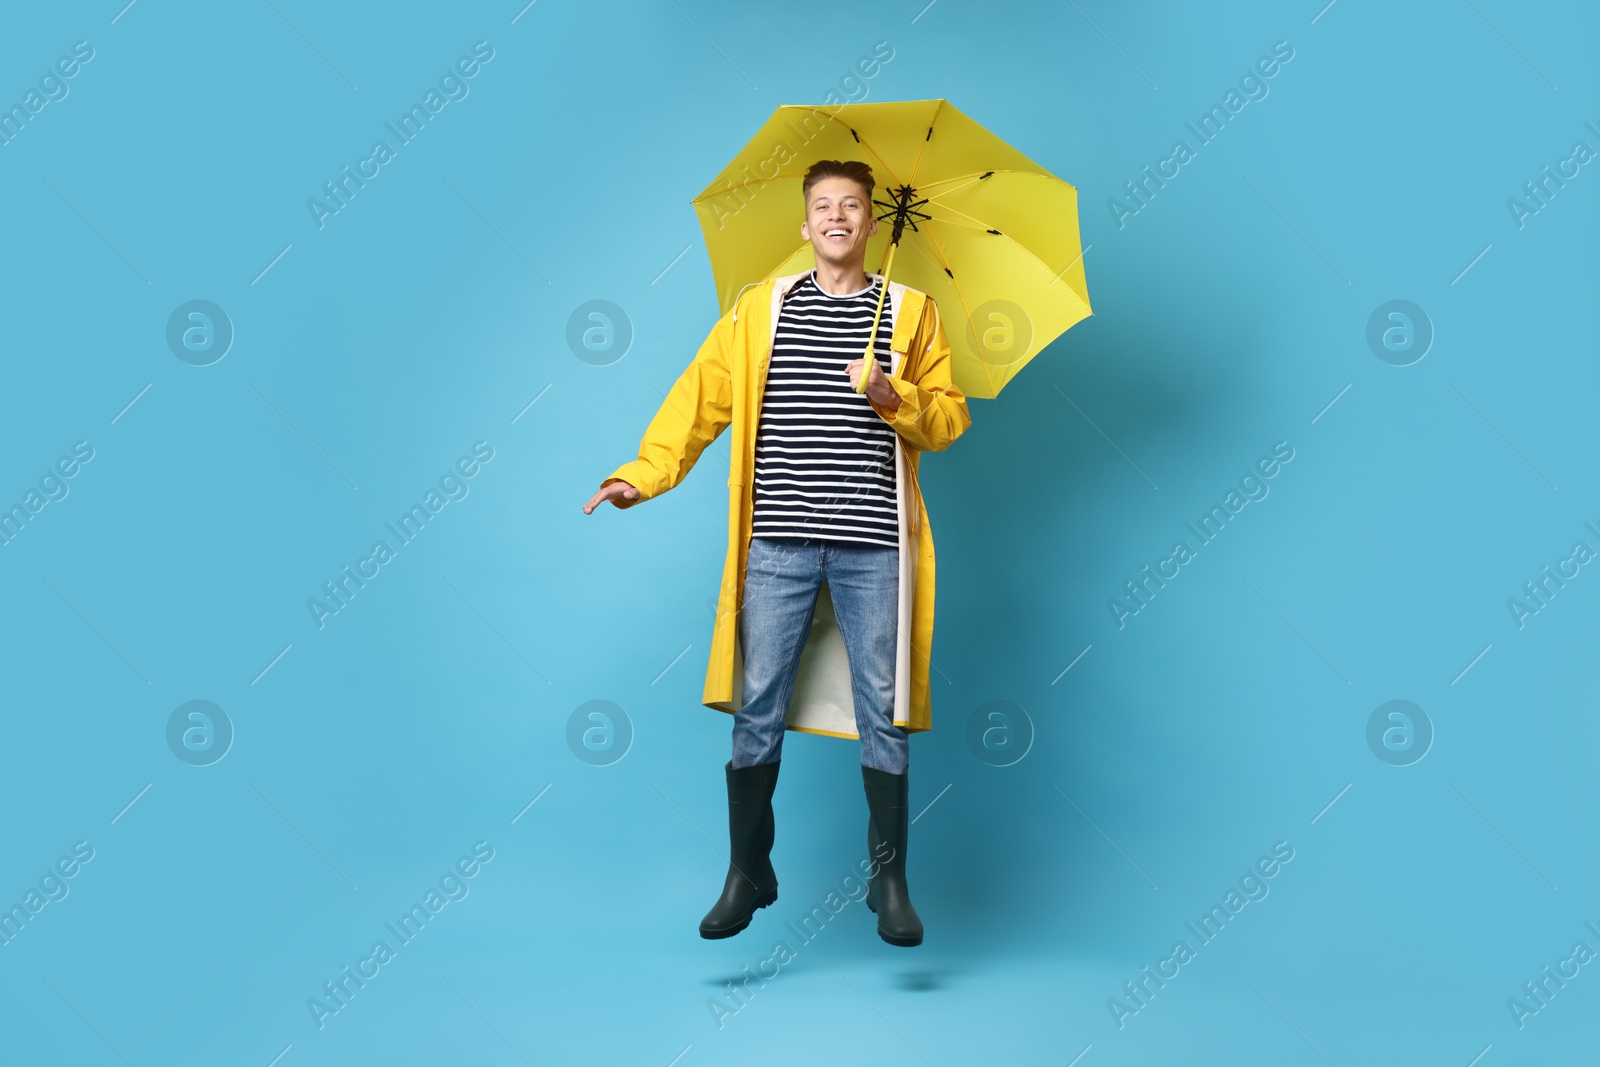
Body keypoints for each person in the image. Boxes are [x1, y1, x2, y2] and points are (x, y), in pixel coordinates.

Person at [583, 160, 971, 946]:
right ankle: (747, 870)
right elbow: (700, 398)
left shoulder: (910, 313)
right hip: (779, 546)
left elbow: (950, 420)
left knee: (883, 712)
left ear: (869, 223)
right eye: (822, 205)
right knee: (755, 708)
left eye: (851, 206)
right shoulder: (759, 311)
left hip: (872, 545)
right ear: (806, 226)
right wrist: (642, 475)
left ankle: (889, 877)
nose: (837, 216)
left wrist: (899, 398)